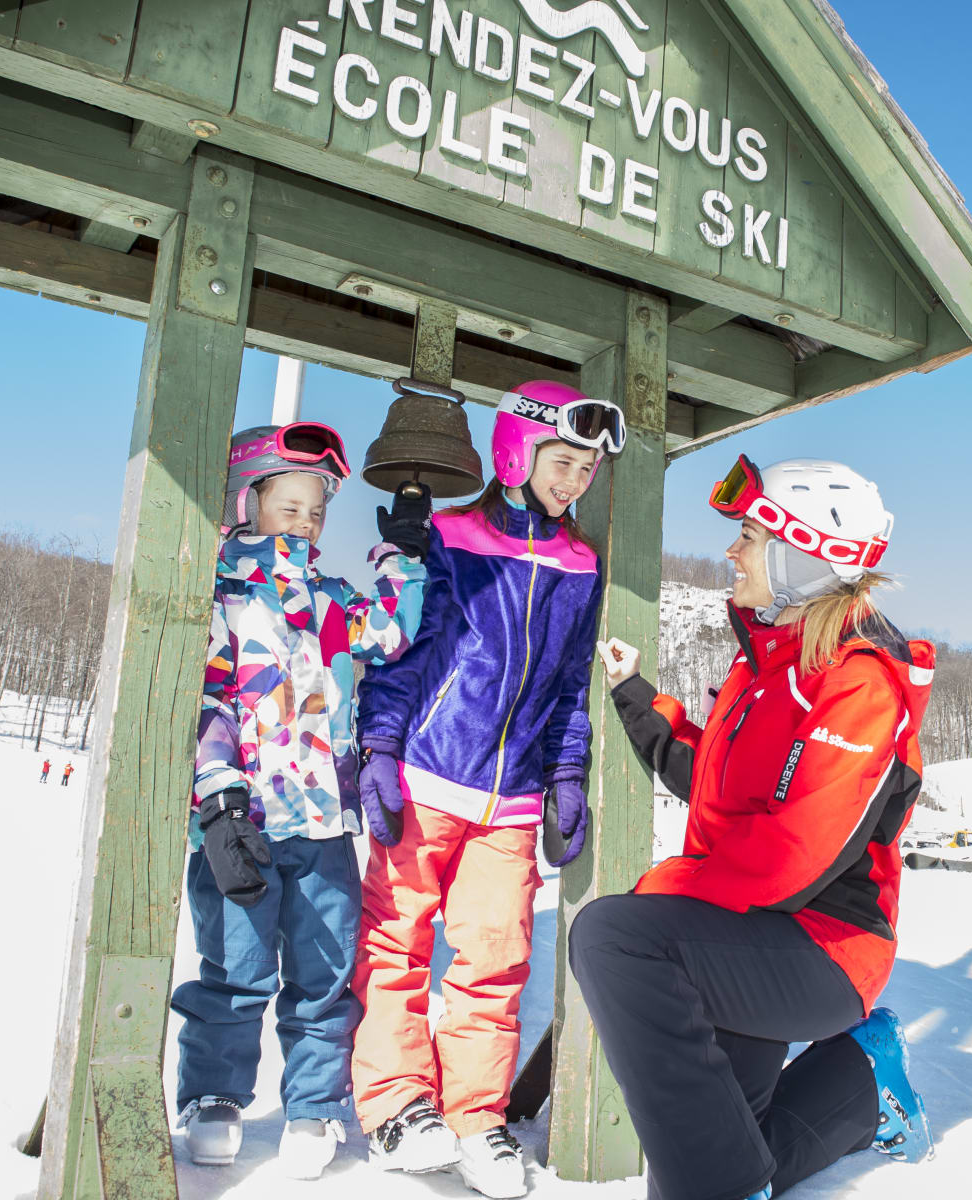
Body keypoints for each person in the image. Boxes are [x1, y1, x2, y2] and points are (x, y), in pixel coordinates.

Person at [572, 457, 937, 1200]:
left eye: (749, 536)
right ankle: (862, 1080)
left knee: (612, 936)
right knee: (723, 1146)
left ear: (803, 556)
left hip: (822, 946)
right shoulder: (768, 669)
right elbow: (715, 781)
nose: (732, 551)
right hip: (746, 931)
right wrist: (638, 698)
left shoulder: (860, 684)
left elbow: (792, 855)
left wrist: (671, 886)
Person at [350, 381, 626, 1198]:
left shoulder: (581, 564)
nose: (575, 481)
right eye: (562, 461)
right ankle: (397, 1104)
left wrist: (565, 773)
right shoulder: (452, 539)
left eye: (587, 469)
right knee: (396, 941)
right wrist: (379, 745)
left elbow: (571, 685)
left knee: (498, 957)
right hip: (428, 777)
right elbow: (403, 654)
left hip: (510, 799)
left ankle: (474, 1116)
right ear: (515, 451)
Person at [170, 422, 431, 1179]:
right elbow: (205, 704)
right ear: (245, 502)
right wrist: (219, 798)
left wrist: (403, 554)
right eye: (290, 507)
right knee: (234, 969)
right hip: (242, 825)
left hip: (322, 826)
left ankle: (314, 1105)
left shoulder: (330, 599)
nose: (307, 523)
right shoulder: (216, 597)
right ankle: (214, 1095)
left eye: (316, 511)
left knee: (323, 975)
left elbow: (392, 632)